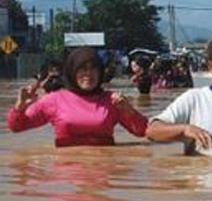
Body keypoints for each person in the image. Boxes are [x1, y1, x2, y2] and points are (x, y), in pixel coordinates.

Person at [5, 47, 149, 147]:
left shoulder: (112, 100)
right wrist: (20, 106)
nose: (88, 74)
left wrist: (129, 110)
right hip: (65, 177)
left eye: (93, 68)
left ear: (100, 73)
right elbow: (17, 127)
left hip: (103, 172)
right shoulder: (54, 100)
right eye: (82, 69)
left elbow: (143, 131)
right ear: (72, 72)